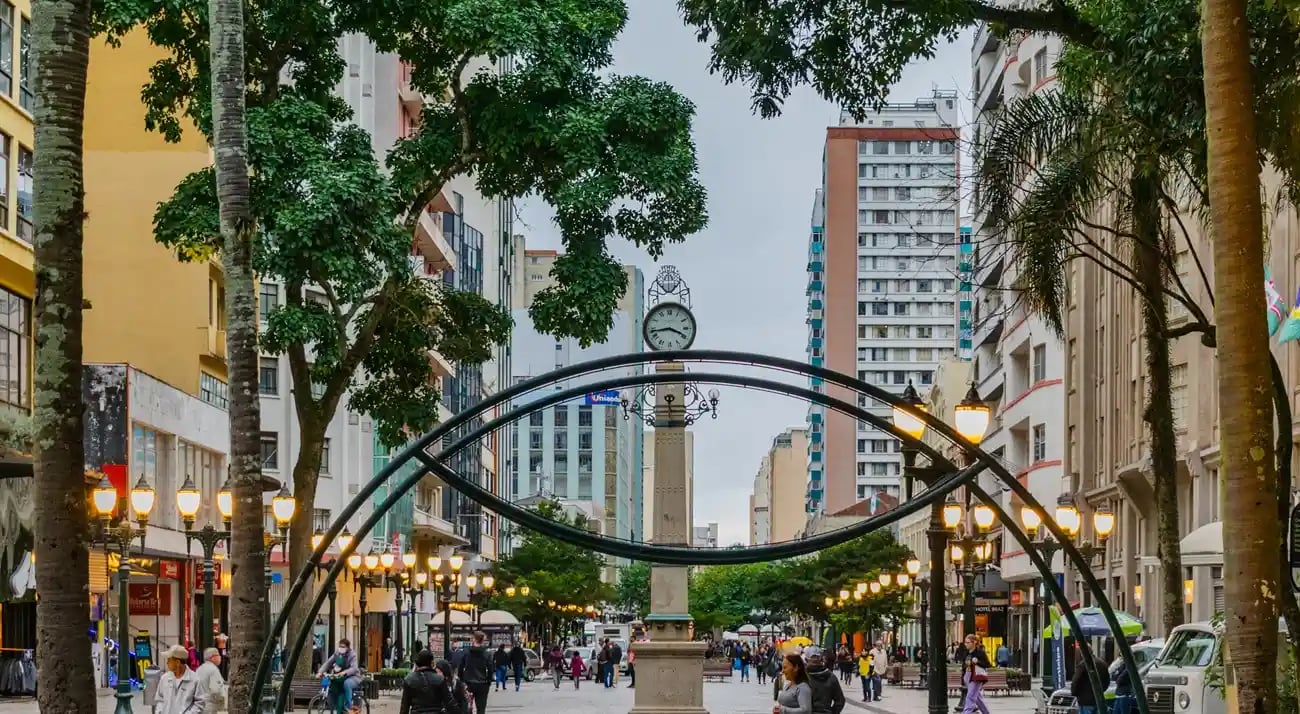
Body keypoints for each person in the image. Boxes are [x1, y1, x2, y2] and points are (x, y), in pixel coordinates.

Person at [157, 644, 206, 714]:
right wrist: (159, 711)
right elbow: (160, 699)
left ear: (177, 662)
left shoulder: (195, 680)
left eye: (169, 660)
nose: (167, 663)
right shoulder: (164, 678)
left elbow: (200, 703)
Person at [318, 638, 362, 714]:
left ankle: (349, 706)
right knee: (333, 685)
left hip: (354, 677)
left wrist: (344, 672)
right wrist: (320, 672)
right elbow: (328, 663)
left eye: (343, 646)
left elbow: (354, 668)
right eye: (340, 646)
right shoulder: (337, 653)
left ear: (348, 647)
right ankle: (338, 705)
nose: (341, 648)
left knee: (347, 684)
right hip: (341, 677)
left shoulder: (352, 655)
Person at [457, 631, 493, 714]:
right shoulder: (487, 654)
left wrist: (462, 680)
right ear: (482, 640)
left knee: (467, 706)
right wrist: (489, 680)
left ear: (474, 639)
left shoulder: (466, 653)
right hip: (482, 683)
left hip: (468, 682)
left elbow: (461, 667)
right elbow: (490, 668)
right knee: (481, 708)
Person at [803, 647, 846, 714]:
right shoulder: (831, 677)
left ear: (806, 659)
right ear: (822, 659)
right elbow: (840, 701)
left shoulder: (802, 677)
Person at [959, 634, 993, 714]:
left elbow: (987, 664)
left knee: (970, 696)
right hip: (968, 676)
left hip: (976, 676)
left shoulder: (980, 653)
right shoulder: (966, 653)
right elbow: (963, 666)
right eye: (965, 642)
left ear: (974, 643)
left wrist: (977, 662)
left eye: (968, 642)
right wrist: (963, 678)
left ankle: (966, 712)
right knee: (977, 697)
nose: (966, 644)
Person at [1070, 646, 1110, 714]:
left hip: (1085, 700)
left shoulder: (1083, 664)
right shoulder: (1102, 664)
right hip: (1098, 698)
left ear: (1082, 653)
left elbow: (1075, 681)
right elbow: (1107, 681)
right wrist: (1101, 690)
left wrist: (1074, 693)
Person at [195, 647, 226, 714]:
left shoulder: (199, 669)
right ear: (212, 657)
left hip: (200, 706)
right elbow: (217, 691)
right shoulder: (213, 670)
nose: (220, 657)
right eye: (218, 655)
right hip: (211, 707)